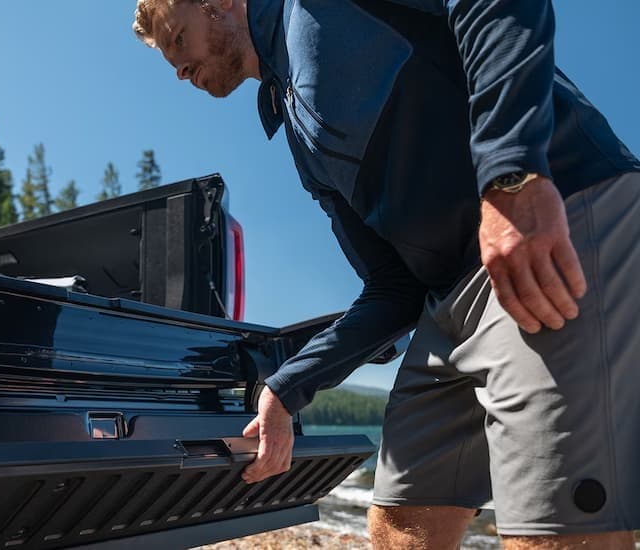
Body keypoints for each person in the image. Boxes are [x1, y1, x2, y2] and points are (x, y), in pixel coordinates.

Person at [132, 0, 640, 548]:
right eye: (170, 63)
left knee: (551, 528)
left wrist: (511, 173)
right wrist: (286, 388)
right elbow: (392, 289)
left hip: (558, 219)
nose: (180, 71)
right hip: (447, 301)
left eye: (179, 42)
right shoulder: (299, 134)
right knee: (401, 520)